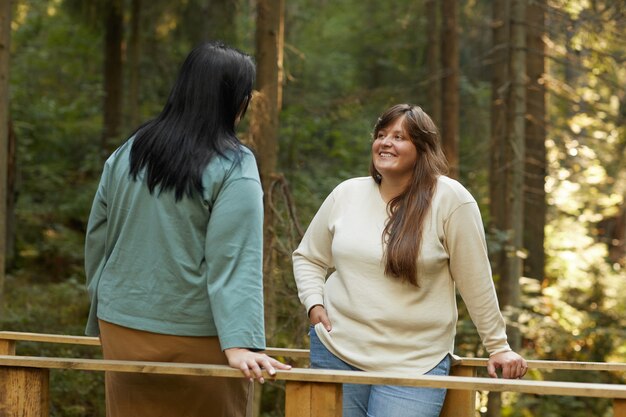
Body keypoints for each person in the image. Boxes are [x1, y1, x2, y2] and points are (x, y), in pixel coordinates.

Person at [84, 41, 290, 417]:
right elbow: (234, 259)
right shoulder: (234, 165)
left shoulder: (130, 150)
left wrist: (102, 303)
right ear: (236, 101)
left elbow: (99, 234)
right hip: (199, 333)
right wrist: (241, 342)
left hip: (121, 323)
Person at [292, 103, 527, 417]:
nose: (386, 142)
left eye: (399, 137)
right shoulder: (346, 194)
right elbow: (308, 256)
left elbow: (476, 281)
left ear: (423, 148)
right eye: (381, 134)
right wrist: (313, 303)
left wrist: (498, 346)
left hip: (415, 363)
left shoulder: (451, 200)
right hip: (337, 350)